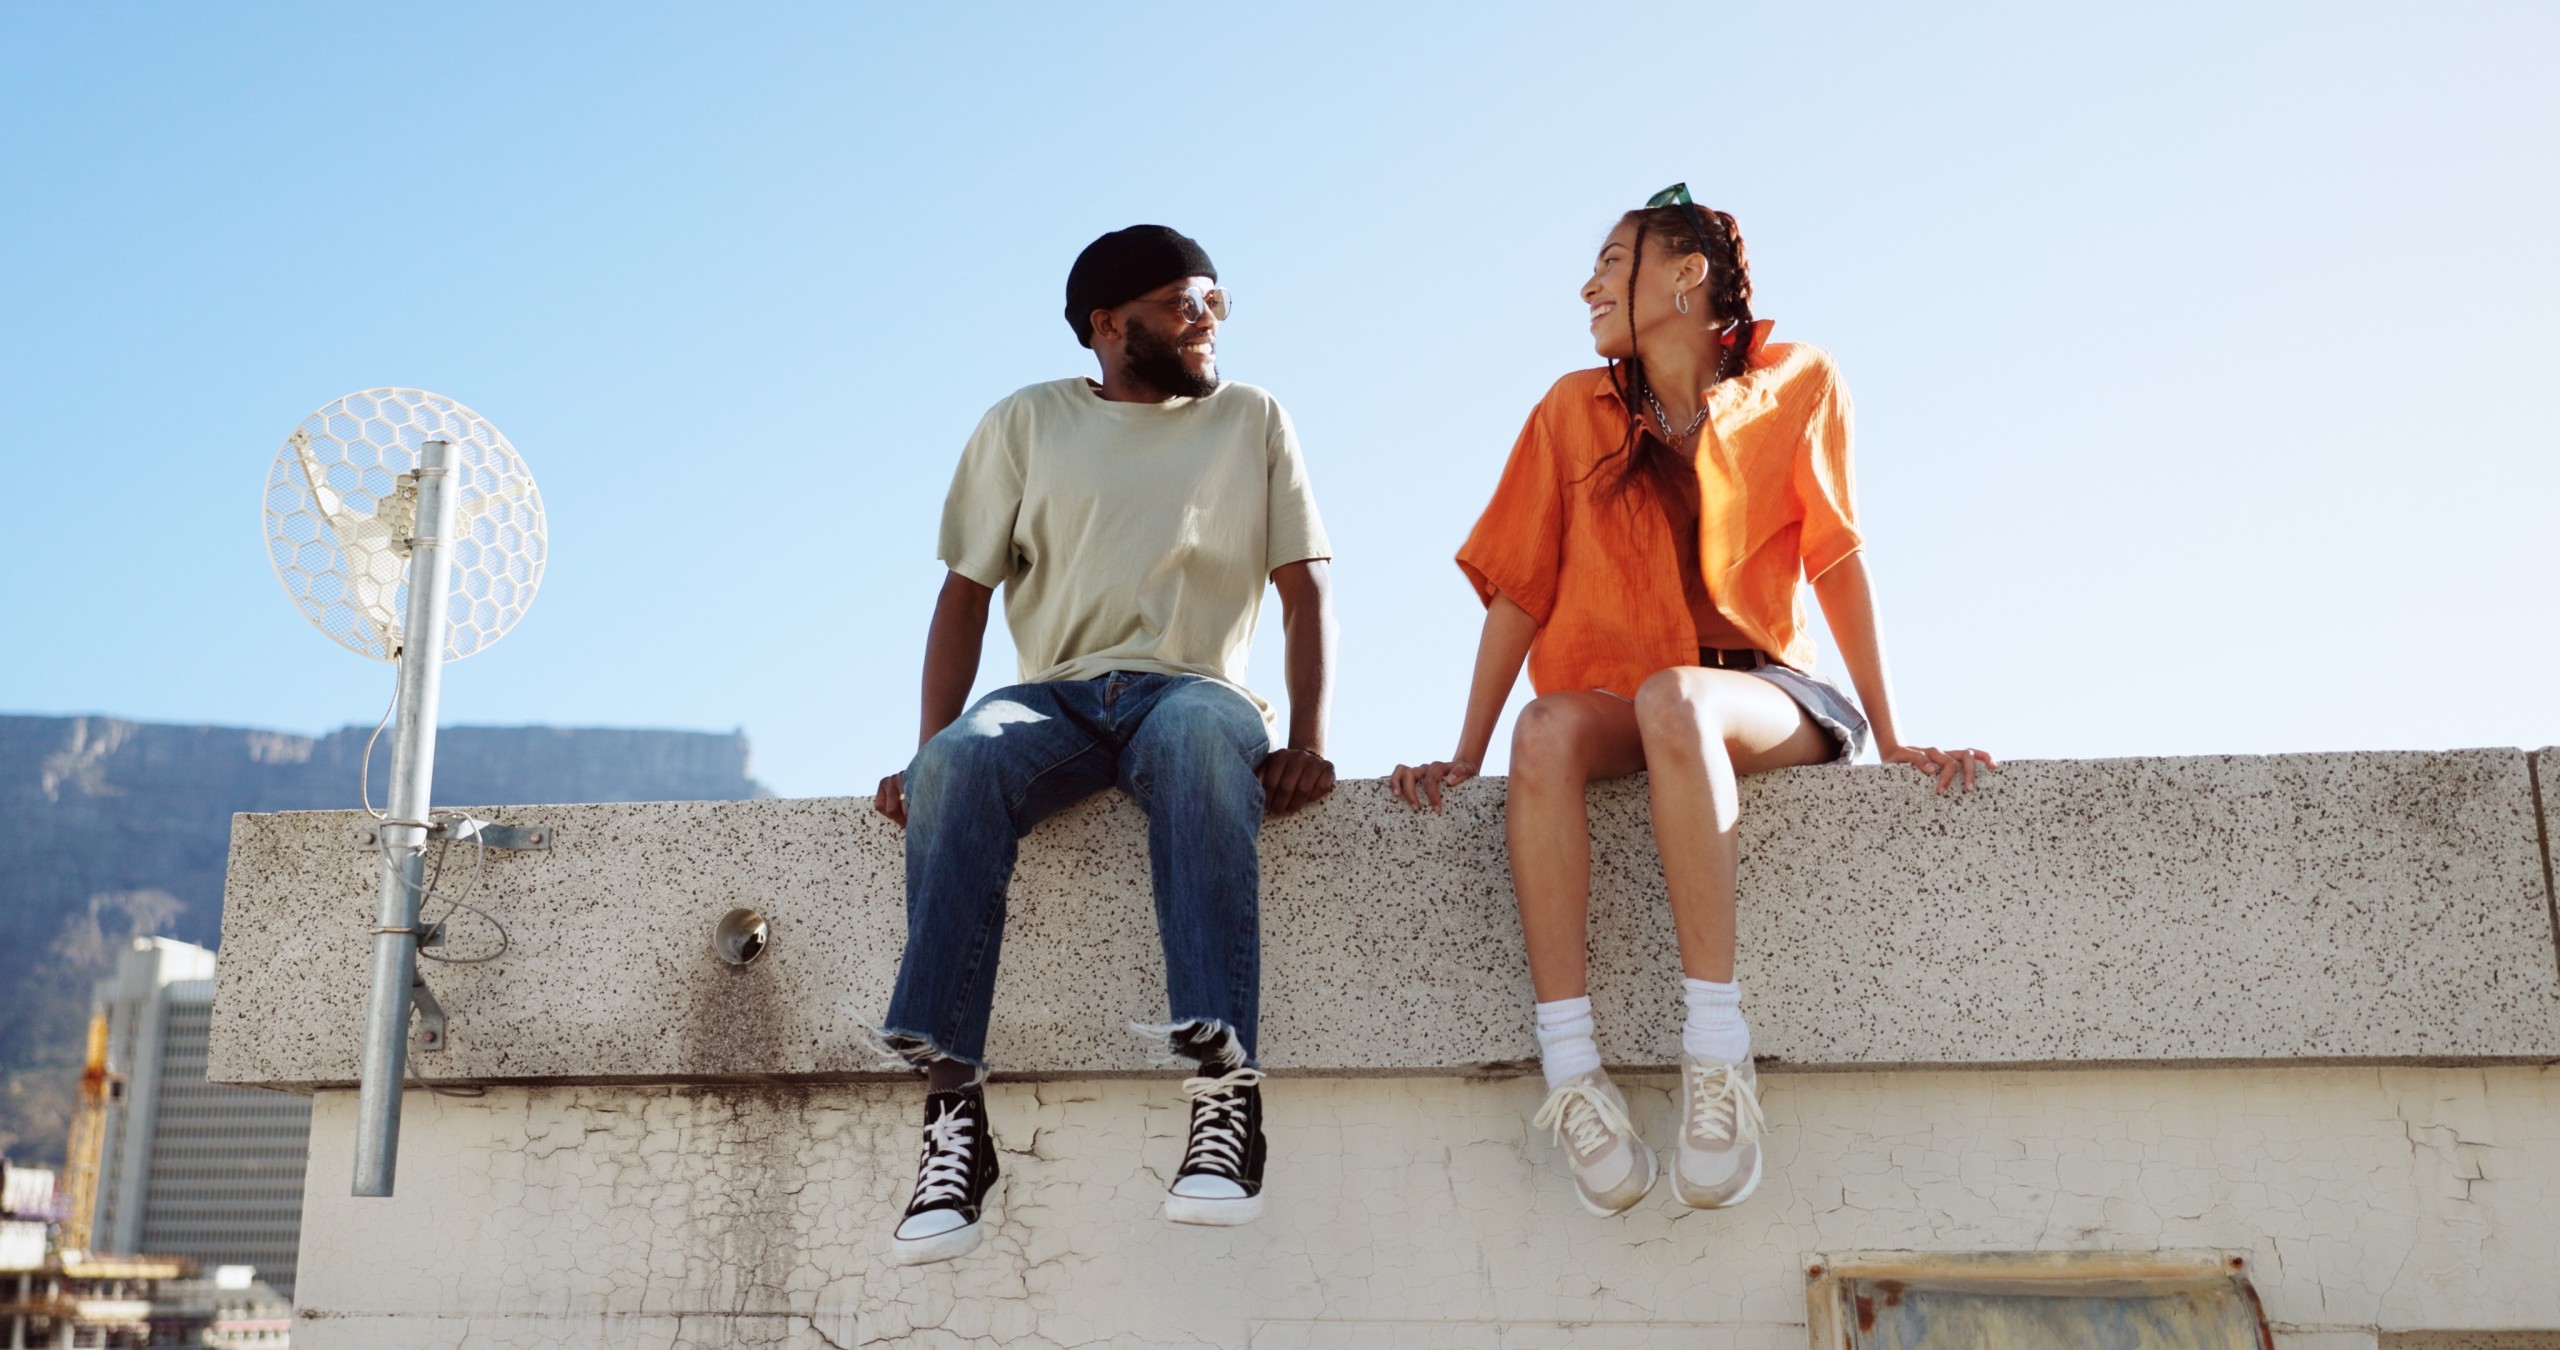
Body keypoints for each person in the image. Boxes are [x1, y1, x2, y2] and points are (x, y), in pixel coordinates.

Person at [1390, 186, 1993, 1217]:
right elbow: (1518, 590)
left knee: (1679, 696)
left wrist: (1893, 736)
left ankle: (1718, 1054)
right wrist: (1462, 752)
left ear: (1685, 273)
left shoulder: (1797, 379)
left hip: (1768, 692)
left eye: (1614, 261)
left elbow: (1837, 558)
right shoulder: (1569, 409)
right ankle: (1573, 1075)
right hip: (1638, 700)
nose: (1589, 283)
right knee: (1547, 729)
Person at [870, 224, 1338, 1265]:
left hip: (1196, 695)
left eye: (1215, 301)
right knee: (958, 763)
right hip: (1057, 701)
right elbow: (962, 600)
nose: (1206, 320)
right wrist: (923, 751)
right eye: (1183, 304)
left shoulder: (1251, 419)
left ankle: (1224, 1096)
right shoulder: (1025, 423)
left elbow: (1304, 590)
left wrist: (1308, 737)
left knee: (1194, 748)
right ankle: (953, 1115)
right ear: (1107, 325)